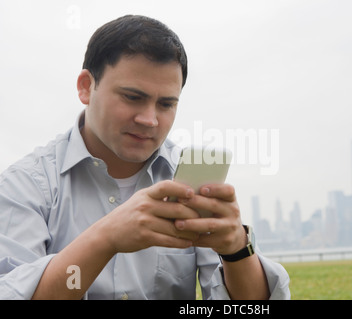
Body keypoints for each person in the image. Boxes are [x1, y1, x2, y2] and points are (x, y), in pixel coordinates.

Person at [0, 15, 290, 300]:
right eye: (132, 97)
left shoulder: (188, 179)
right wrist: (106, 238)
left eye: (166, 104)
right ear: (86, 87)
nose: (150, 119)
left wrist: (237, 248)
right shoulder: (26, 184)